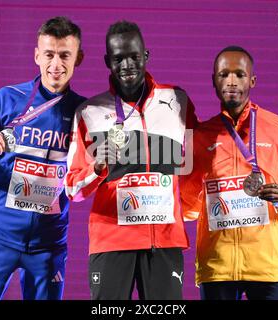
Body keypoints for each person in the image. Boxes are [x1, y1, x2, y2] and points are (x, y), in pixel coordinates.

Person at [64, 20, 198, 300]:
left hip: (165, 239)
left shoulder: (177, 101)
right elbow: (72, 189)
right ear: (107, 61)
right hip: (112, 241)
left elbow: (210, 145)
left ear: (146, 55)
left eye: (134, 57)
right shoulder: (88, 112)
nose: (127, 65)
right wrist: (97, 167)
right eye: (118, 58)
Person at [0, 16, 85, 300]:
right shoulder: (7, 98)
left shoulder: (84, 112)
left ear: (78, 58)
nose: (56, 65)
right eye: (49, 54)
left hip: (48, 246)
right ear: (36, 56)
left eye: (65, 55)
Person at [180, 46, 278, 300]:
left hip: (269, 267)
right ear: (214, 80)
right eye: (224, 74)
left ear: (252, 80)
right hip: (217, 267)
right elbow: (187, 208)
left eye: (240, 74)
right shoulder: (198, 137)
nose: (231, 81)